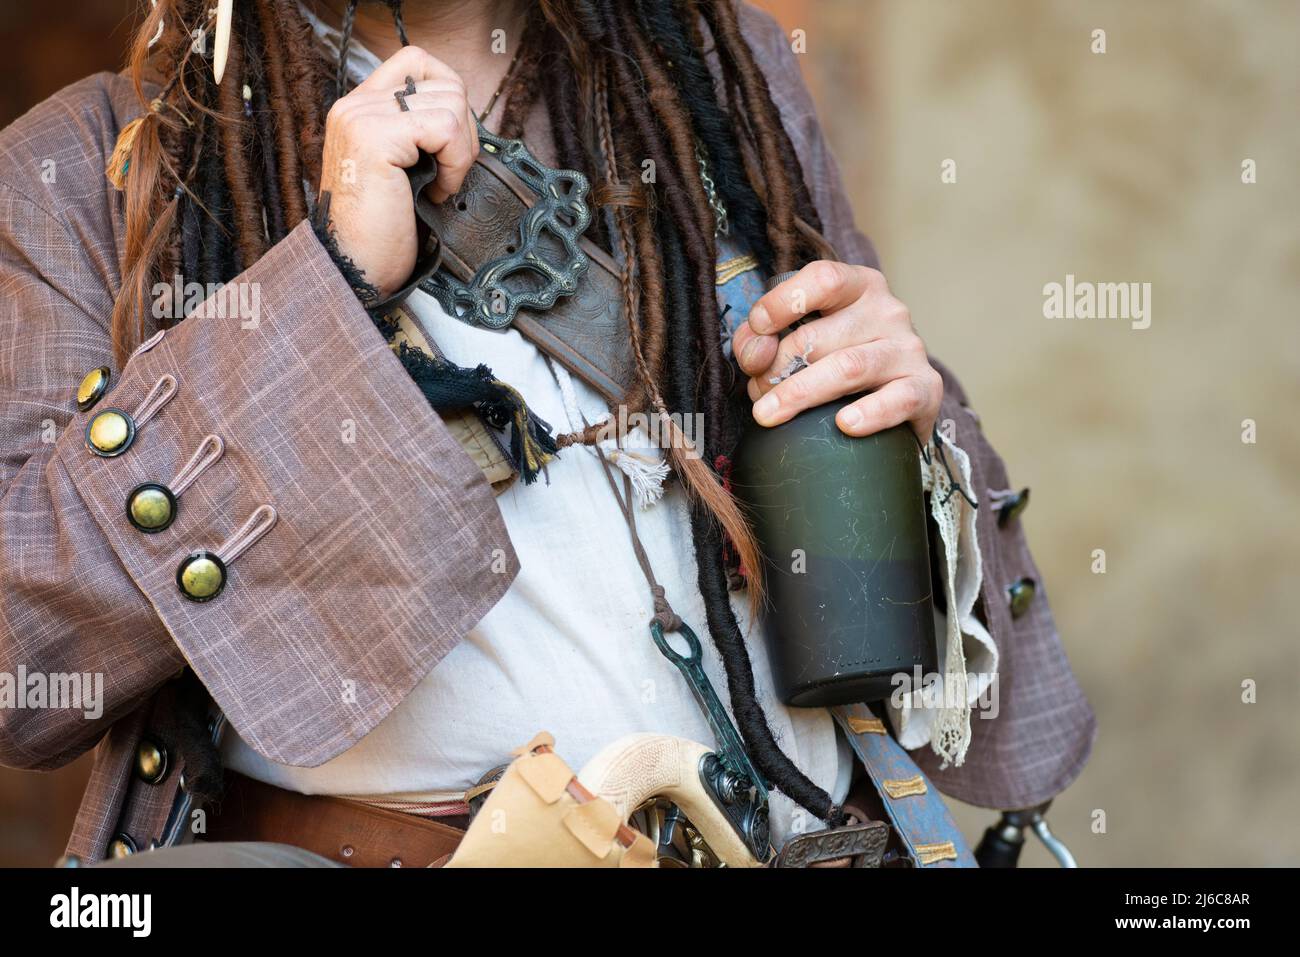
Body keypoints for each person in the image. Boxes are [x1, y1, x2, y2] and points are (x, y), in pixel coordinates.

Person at [0, 0, 1094, 867]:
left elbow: (907, 553)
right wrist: (320, 292)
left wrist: (906, 410)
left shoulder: (720, 72)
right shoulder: (82, 170)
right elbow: (21, 665)